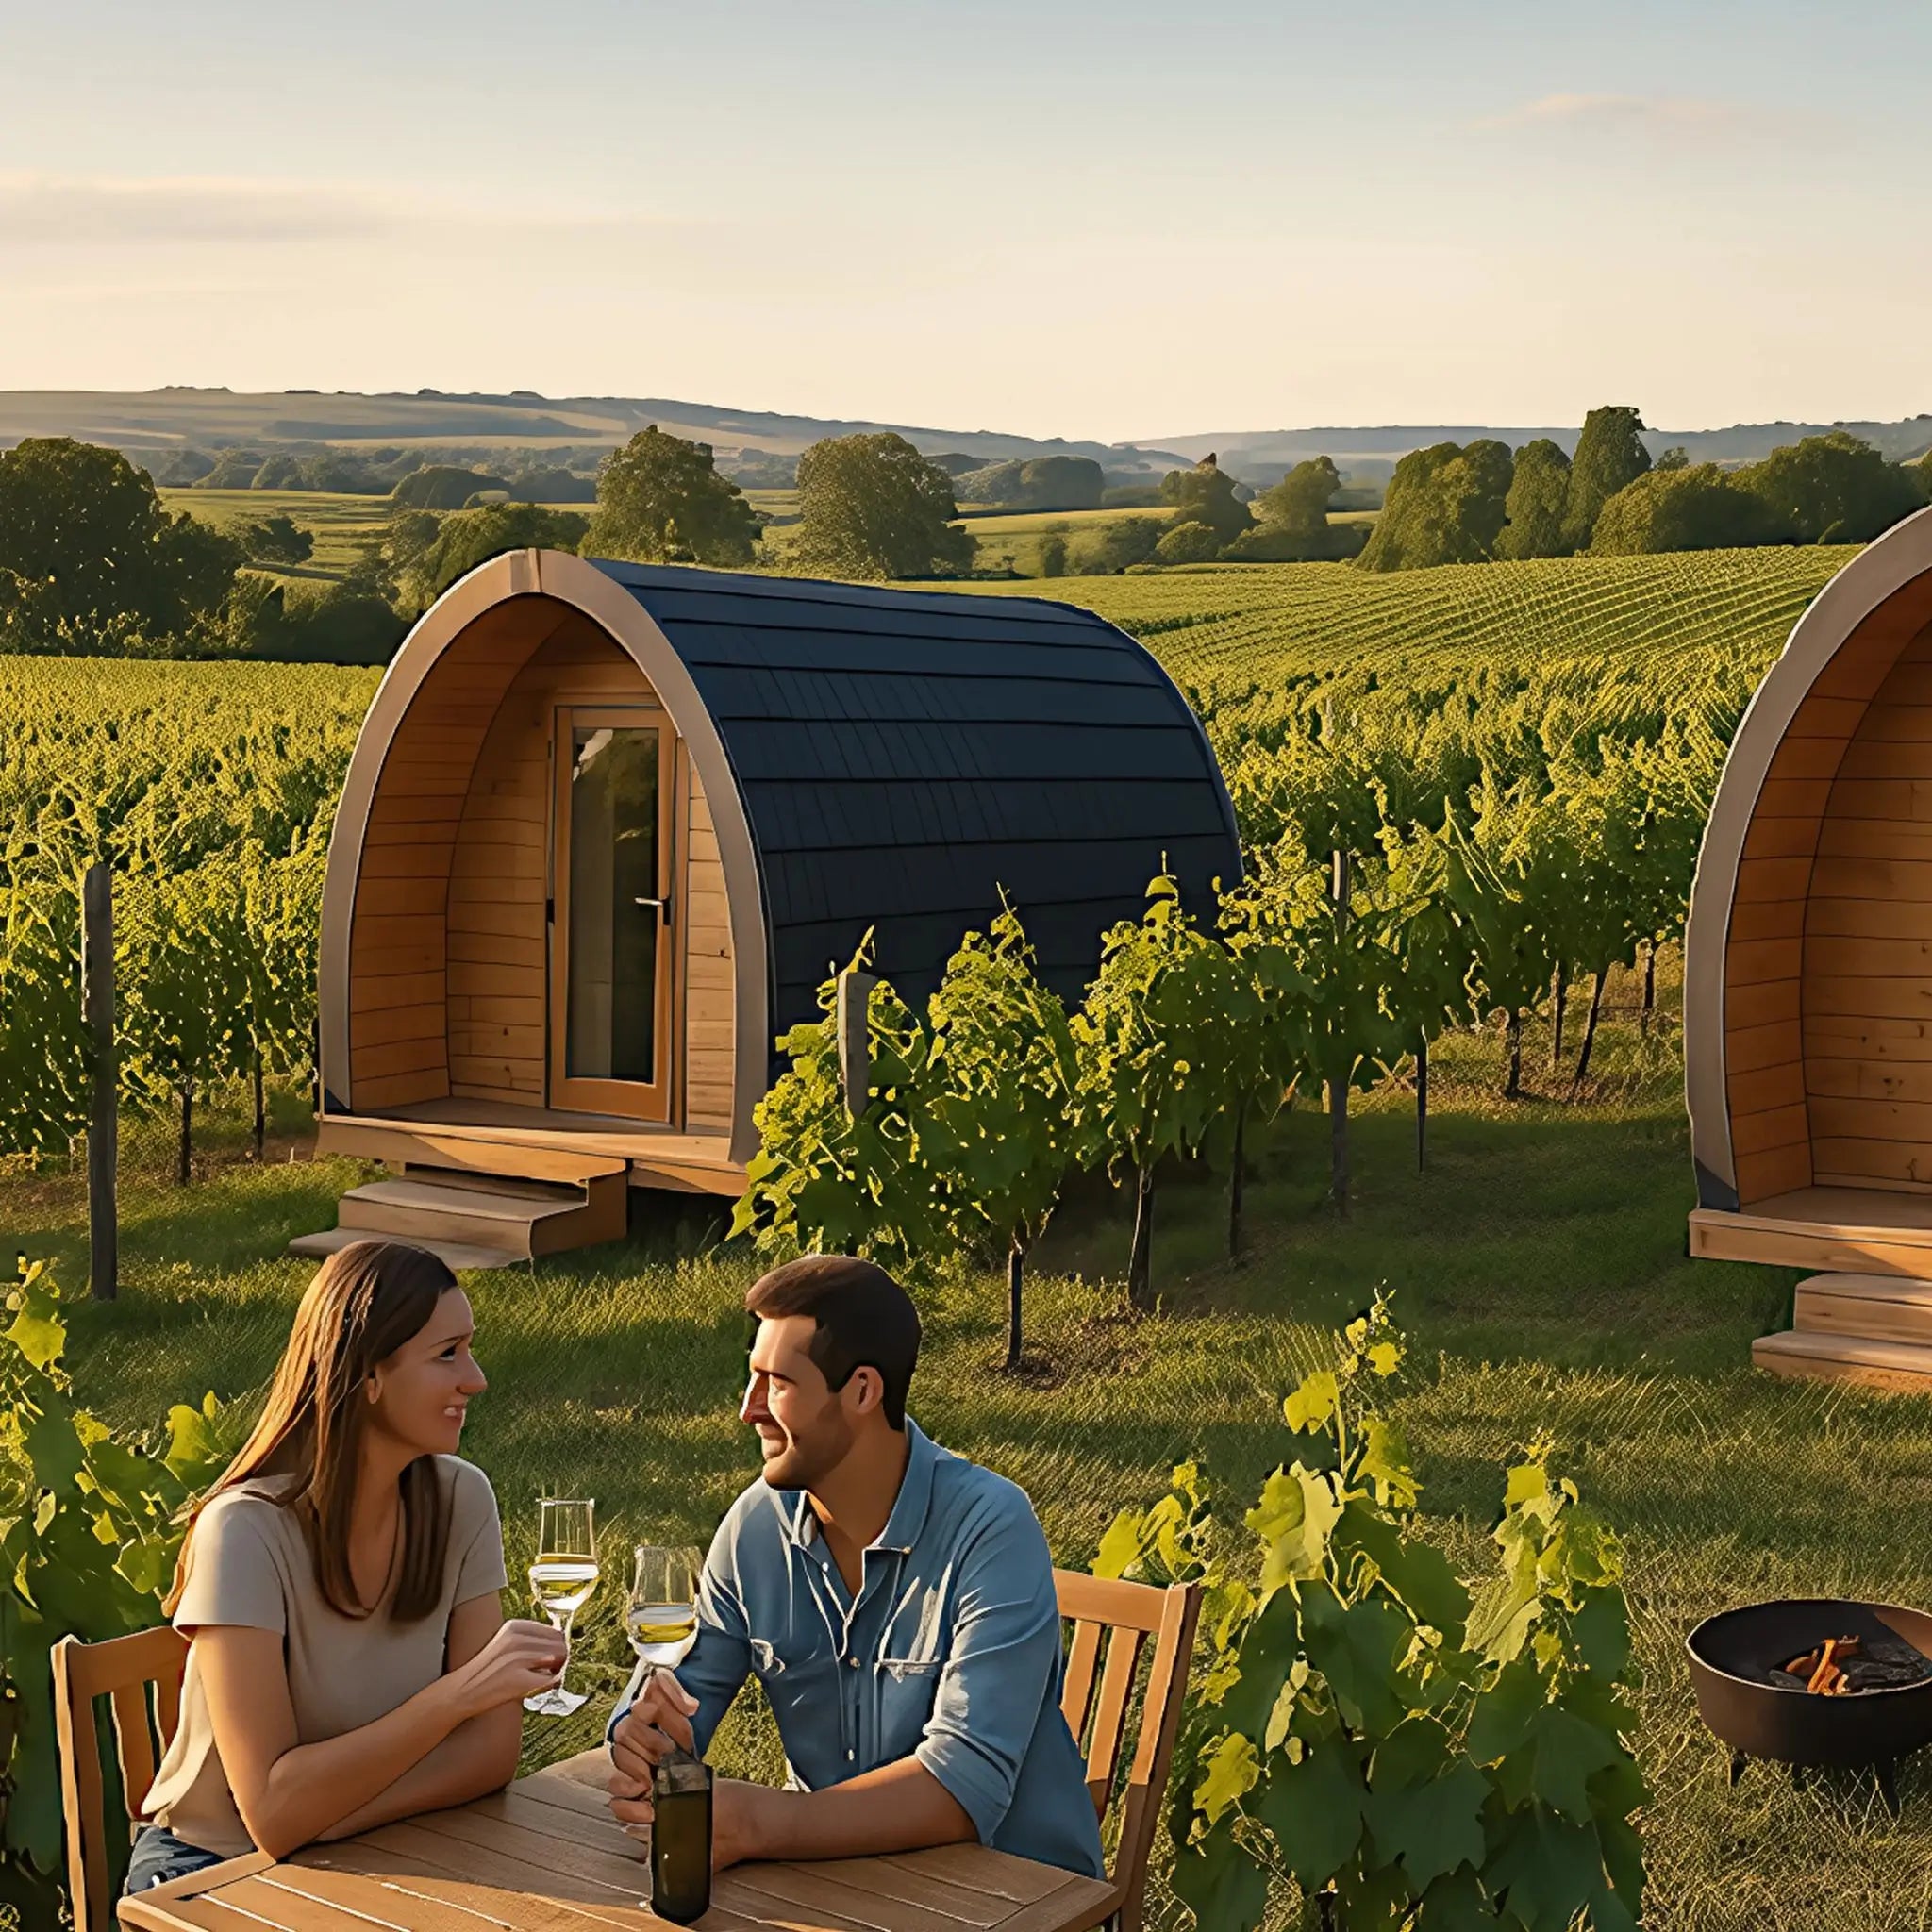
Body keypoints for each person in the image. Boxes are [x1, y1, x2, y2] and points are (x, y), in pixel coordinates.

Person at [607, 1254, 1105, 1879]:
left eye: (777, 1384)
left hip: (1019, 1896)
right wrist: (639, 1735)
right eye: (751, 1378)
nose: (748, 1409)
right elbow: (680, 1700)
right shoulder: (755, 1528)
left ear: (863, 1391)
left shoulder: (991, 1527)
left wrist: (758, 1822)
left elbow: (965, 1786)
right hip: (841, 1886)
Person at [128, 1241, 564, 1892]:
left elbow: (490, 1756)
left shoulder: (459, 1500)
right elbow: (270, 1814)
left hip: (369, 1845)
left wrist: (325, 1816)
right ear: (366, 1376)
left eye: (468, 1348)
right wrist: (456, 1698)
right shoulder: (245, 1532)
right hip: (212, 1869)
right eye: (447, 1354)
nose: (475, 1378)